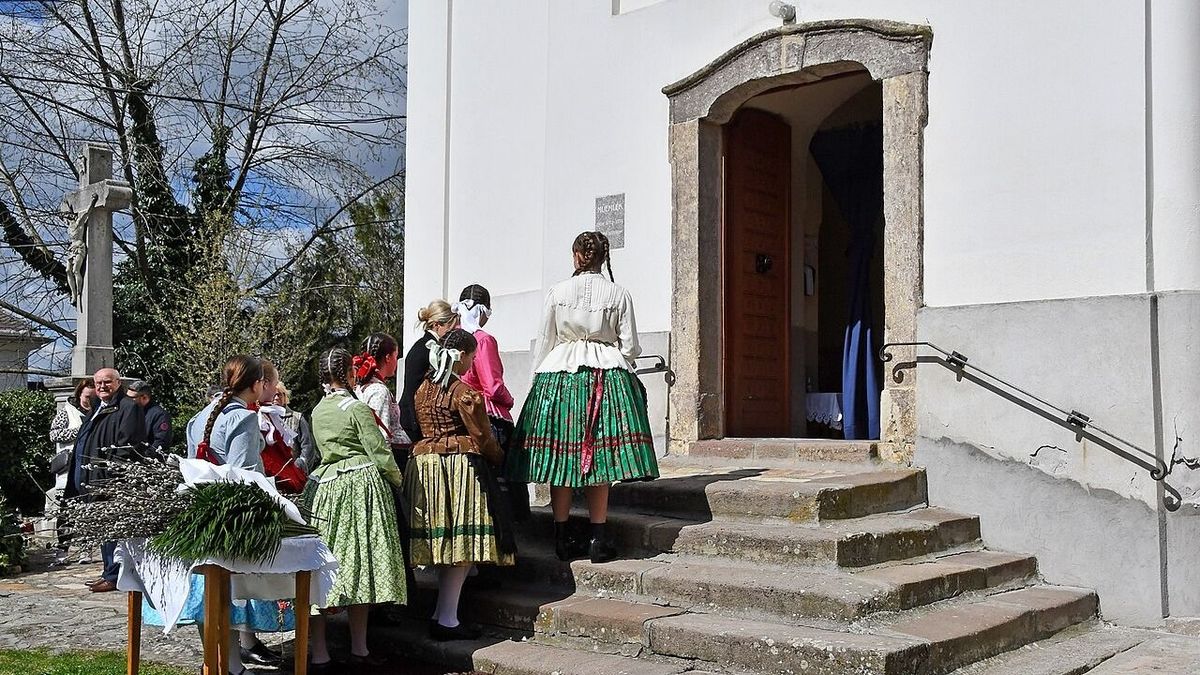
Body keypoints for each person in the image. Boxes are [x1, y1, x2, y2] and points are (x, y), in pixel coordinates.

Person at [507, 231, 658, 563]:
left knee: (563, 460)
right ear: (603, 257)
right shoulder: (619, 293)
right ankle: (596, 539)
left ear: (576, 255)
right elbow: (631, 347)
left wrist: (537, 383)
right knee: (599, 460)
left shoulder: (557, 292)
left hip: (559, 375)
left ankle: (561, 538)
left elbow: (545, 339)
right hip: (605, 374)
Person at [144, 355, 290, 675]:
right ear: (255, 384)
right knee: (231, 594)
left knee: (207, 594)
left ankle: (218, 663)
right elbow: (244, 476)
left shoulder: (199, 417)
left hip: (199, 512)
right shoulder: (243, 418)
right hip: (230, 517)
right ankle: (230, 666)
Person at [407, 328, 515, 641]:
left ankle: (443, 614)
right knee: (461, 545)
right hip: (457, 469)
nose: (471, 363)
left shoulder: (422, 389)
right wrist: (499, 456)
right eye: (470, 357)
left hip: (424, 467)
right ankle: (448, 620)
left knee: (446, 544)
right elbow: (482, 436)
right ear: (463, 356)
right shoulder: (461, 391)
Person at [305, 347, 408, 668]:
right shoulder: (358, 409)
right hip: (360, 487)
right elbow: (378, 451)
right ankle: (359, 649)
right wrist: (399, 480)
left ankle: (320, 652)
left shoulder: (317, 410)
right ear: (349, 373)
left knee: (320, 569)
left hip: (323, 488)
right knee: (361, 564)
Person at [67, 367, 146, 592]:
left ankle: (114, 575)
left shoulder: (128, 408)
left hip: (109, 481)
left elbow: (126, 446)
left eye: (107, 382)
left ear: (118, 383)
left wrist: (110, 477)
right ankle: (107, 571)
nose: (102, 386)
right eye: (99, 383)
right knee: (102, 529)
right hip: (90, 480)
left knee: (112, 529)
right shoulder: (97, 407)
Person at [399, 300, 459, 443]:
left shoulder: (425, 346)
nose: (453, 333)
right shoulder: (428, 349)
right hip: (414, 421)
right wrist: (418, 426)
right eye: (451, 328)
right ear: (437, 325)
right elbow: (414, 389)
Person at [47, 378, 94, 558]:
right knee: (67, 511)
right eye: (87, 396)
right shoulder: (67, 411)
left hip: (89, 467)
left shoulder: (97, 411)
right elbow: (54, 434)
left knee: (88, 511)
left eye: (92, 397)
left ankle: (85, 549)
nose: (89, 400)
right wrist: (80, 431)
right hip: (69, 469)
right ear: (80, 394)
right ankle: (63, 548)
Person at [254, 360, 307, 494]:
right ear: (265, 384)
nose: (277, 388)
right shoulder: (254, 414)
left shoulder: (270, 412)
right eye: (275, 383)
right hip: (273, 481)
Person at [272, 382, 319, 472]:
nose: (276, 398)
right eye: (273, 395)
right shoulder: (264, 419)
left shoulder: (297, 418)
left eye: (279, 395)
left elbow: (308, 446)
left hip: (296, 472)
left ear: (285, 397)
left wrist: (299, 464)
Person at [127, 380, 172, 453]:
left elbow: (161, 442)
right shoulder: (130, 411)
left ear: (144, 398)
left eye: (132, 398)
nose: (127, 400)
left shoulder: (159, 415)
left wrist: (146, 456)